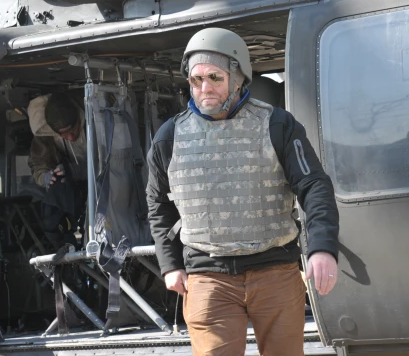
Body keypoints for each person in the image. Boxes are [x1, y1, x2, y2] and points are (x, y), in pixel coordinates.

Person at [146, 27, 340, 356]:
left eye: (214, 78)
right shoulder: (170, 136)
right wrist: (170, 264)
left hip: (276, 273)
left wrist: (322, 247)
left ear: (238, 77)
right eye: (196, 80)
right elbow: (158, 204)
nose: (204, 88)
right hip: (208, 278)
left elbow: (313, 185)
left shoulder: (278, 125)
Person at [27, 92, 88, 245]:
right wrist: (46, 177)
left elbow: (113, 162)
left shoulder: (96, 122)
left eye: (73, 131)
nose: (71, 138)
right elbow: (39, 163)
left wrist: (77, 171)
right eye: (64, 135)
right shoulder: (45, 134)